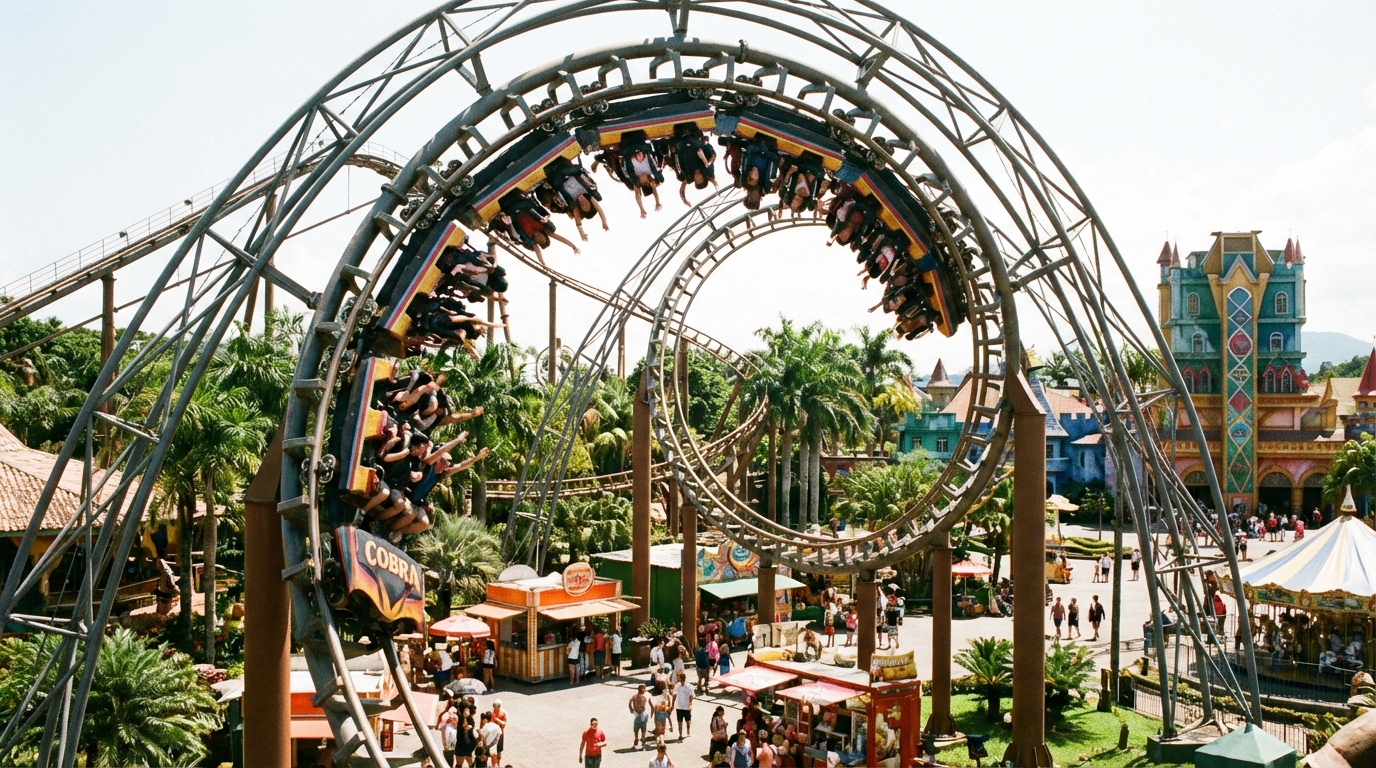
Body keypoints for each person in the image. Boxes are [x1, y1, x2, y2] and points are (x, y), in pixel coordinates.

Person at [672, 672, 694, 739]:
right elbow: (674, 695)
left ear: (682, 678)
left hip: (686, 706)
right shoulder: (677, 685)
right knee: (679, 721)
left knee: (688, 721)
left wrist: (690, 705)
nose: (677, 678)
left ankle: (688, 732)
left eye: (678, 677)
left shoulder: (689, 686)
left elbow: (691, 696)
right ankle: (680, 735)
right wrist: (672, 705)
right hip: (679, 706)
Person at [630, 683, 651, 748]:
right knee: (636, 728)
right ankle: (636, 740)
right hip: (637, 714)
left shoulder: (645, 697)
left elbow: (646, 704)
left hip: (643, 714)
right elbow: (630, 702)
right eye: (641, 688)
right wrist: (631, 709)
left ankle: (643, 741)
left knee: (643, 728)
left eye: (644, 688)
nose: (643, 689)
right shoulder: (635, 696)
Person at [489, 700, 507, 765]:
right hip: (493, 734)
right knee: (492, 751)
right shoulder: (491, 713)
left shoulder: (503, 714)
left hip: (500, 734)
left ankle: (498, 764)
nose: (494, 707)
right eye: (493, 706)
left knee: (499, 751)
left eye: (495, 706)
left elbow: (503, 724)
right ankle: (493, 764)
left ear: (499, 706)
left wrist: (496, 719)